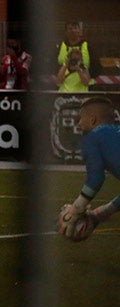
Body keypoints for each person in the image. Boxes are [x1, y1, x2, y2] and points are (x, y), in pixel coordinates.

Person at [58, 97, 120, 239]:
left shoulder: (92, 138)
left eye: (81, 118)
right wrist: (100, 214)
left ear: (92, 120)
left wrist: (76, 209)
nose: (79, 124)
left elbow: (96, 178)